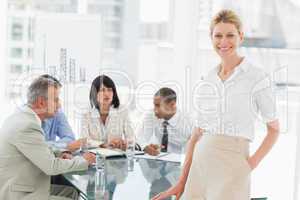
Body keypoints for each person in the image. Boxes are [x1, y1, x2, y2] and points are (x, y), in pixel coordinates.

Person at [153, 9, 280, 200]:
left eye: (230, 35)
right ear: (211, 38)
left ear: (241, 36)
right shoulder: (208, 79)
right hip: (200, 164)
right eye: (218, 35)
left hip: (232, 167)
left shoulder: (257, 77)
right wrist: (181, 182)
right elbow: (196, 135)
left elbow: (274, 129)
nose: (224, 42)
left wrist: (249, 165)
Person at [0, 76, 95, 200]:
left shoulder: (22, 116)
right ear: (41, 102)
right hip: (18, 195)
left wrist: (58, 153)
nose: (60, 105)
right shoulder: (28, 125)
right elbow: (51, 166)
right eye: (56, 100)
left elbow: (39, 150)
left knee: (72, 192)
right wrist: (84, 161)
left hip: (22, 186)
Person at [81, 75, 134, 150]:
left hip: (116, 157)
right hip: (94, 157)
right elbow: (83, 141)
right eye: (102, 90)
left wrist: (124, 143)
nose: (107, 94)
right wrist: (103, 144)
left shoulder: (122, 111)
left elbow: (131, 138)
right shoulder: (86, 113)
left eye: (109, 90)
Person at [137, 87, 193, 155]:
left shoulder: (188, 121)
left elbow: (195, 147)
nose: (155, 109)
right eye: (154, 105)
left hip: (180, 160)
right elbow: (140, 137)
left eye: (158, 105)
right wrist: (146, 147)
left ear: (172, 105)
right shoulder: (151, 115)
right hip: (159, 159)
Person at [39, 74, 80, 151]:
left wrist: (58, 149)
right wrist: (63, 147)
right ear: (41, 100)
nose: (59, 104)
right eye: (55, 99)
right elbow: (38, 148)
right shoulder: (28, 119)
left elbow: (70, 138)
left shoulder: (57, 112)